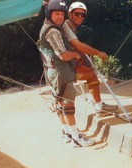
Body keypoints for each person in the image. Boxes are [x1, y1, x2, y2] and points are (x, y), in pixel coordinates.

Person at [37, 0, 95, 147]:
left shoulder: (47, 27)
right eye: (56, 14)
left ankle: (67, 133)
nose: (60, 17)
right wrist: (76, 55)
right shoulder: (53, 31)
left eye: (62, 14)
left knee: (61, 104)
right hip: (60, 73)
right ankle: (76, 138)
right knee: (68, 106)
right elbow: (63, 55)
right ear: (50, 14)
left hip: (52, 71)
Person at [62, 1, 119, 118]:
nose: (80, 17)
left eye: (83, 15)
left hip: (66, 64)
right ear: (70, 14)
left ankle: (98, 107)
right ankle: (99, 108)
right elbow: (78, 45)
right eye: (77, 14)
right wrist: (98, 53)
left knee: (90, 72)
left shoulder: (72, 27)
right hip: (64, 67)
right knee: (92, 75)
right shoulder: (65, 26)